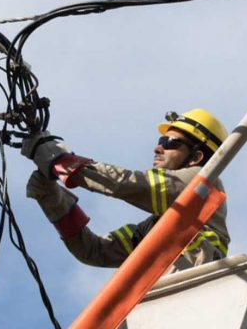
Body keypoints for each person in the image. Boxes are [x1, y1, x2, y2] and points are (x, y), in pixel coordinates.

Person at [22, 109, 230, 272]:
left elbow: (126, 183)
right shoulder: (158, 228)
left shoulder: (203, 183)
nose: (158, 148)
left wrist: (58, 161)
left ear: (195, 158)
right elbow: (95, 251)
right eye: (160, 141)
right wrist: (51, 197)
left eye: (171, 143)